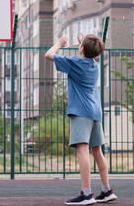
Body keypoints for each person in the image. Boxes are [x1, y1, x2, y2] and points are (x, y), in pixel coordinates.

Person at [45, 32, 117, 205]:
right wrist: (83, 44)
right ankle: (106, 191)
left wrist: (60, 43)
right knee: (97, 151)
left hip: (81, 112)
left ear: (82, 49)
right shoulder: (95, 65)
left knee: (82, 151)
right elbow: (90, 55)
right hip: (95, 113)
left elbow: (48, 54)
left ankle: (86, 194)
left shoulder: (76, 63)